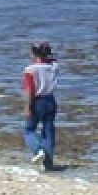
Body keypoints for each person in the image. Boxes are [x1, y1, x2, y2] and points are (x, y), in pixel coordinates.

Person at [22, 41, 59, 171]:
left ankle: (38, 150)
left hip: (37, 101)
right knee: (48, 131)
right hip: (50, 100)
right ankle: (48, 162)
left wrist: (27, 107)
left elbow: (30, 89)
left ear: (34, 53)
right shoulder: (54, 66)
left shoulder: (30, 70)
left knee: (29, 130)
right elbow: (54, 59)